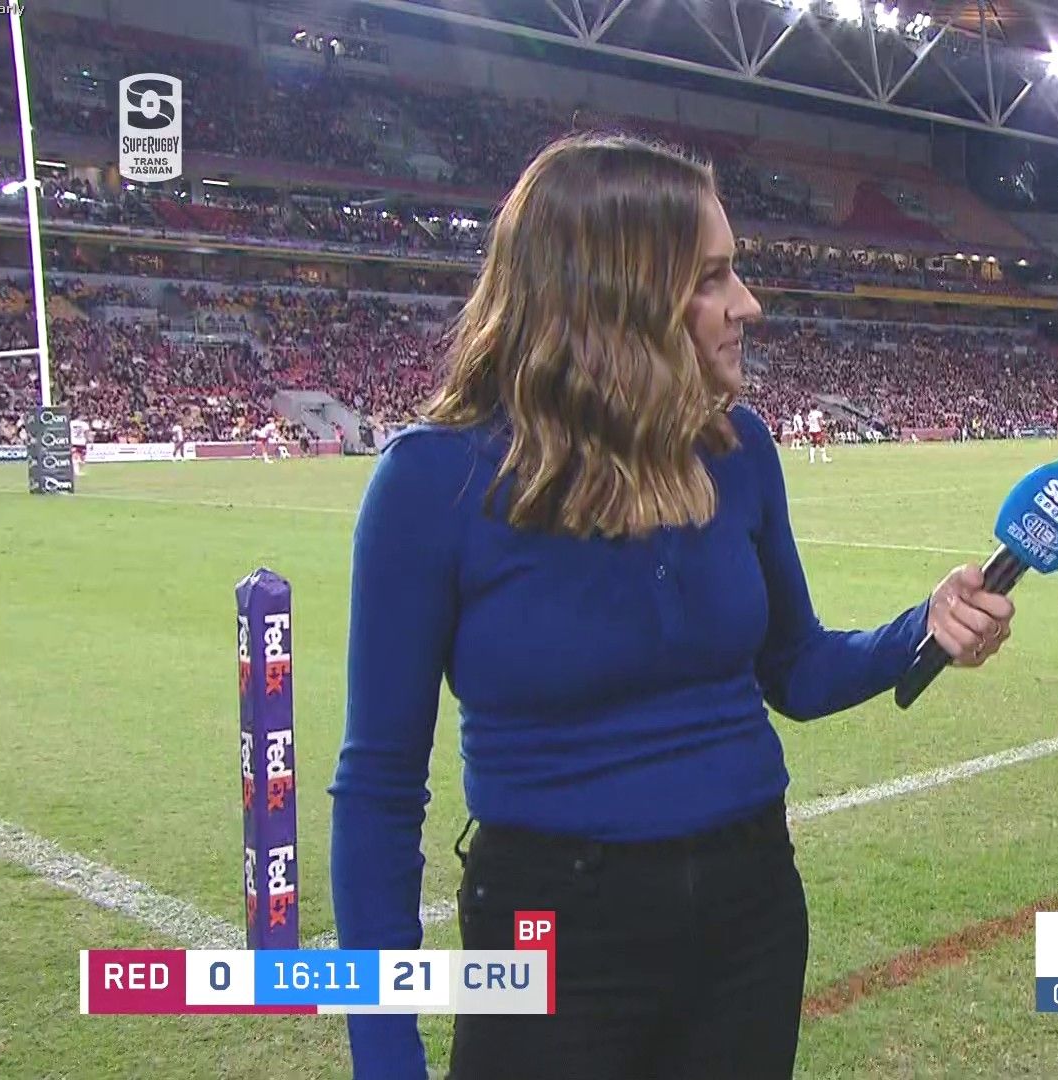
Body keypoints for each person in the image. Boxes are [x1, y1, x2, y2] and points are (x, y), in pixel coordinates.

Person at [329, 135, 1017, 1080]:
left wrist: (922, 628)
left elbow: (795, 667)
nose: (749, 304)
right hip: (548, 925)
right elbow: (378, 792)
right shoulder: (431, 483)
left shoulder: (741, 451)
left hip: (750, 909)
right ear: (616, 296)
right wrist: (384, 1057)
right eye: (712, 278)